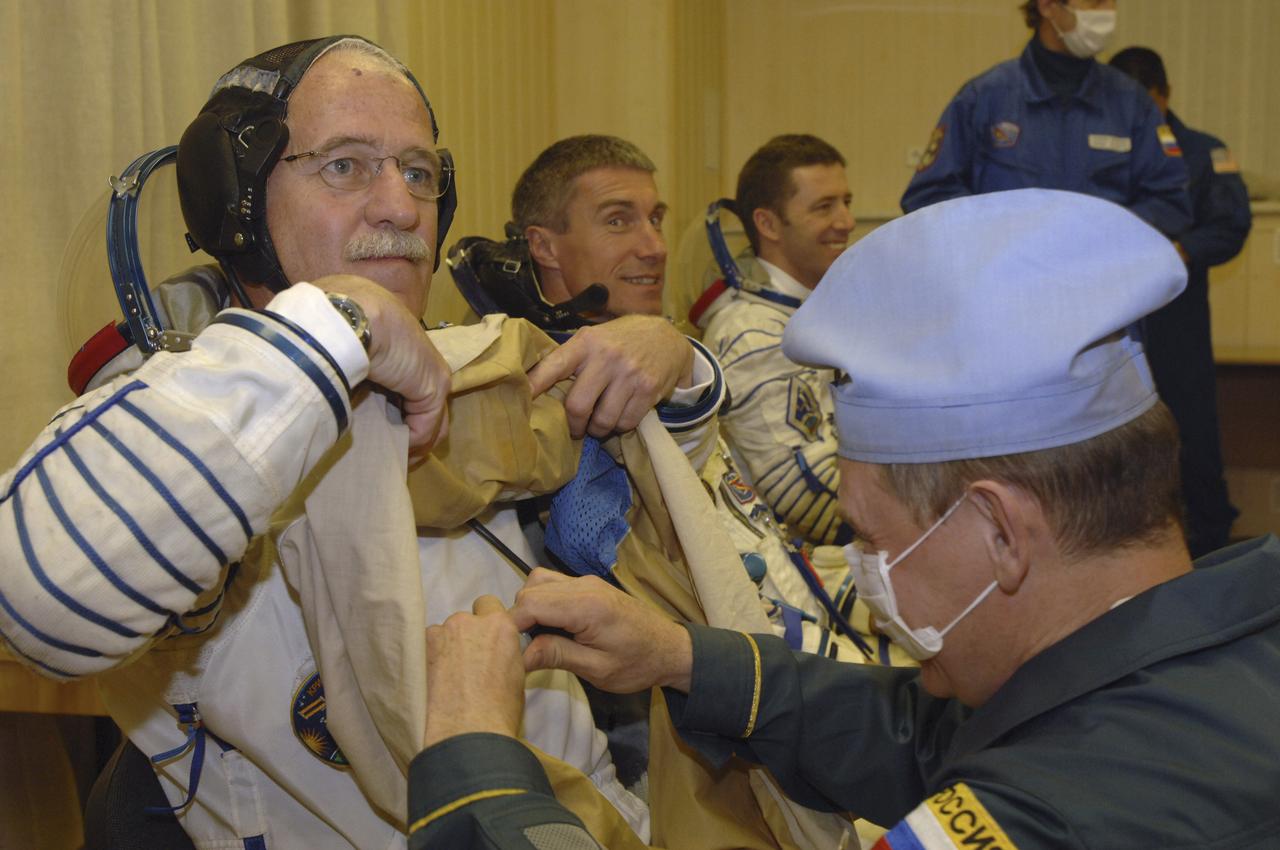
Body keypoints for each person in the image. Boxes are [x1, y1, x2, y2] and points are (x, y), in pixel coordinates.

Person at [1, 35, 717, 847]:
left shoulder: (460, 368)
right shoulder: (175, 419)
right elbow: (42, 599)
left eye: (418, 173)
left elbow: (643, 519)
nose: (401, 207)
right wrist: (336, 323)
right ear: (232, 202)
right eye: (345, 166)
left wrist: (673, 362)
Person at [407, 189, 1280, 849]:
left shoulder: (1057, 815)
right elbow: (937, 738)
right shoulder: (1223, 620)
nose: (864, 565)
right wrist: (678, 657)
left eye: (873, 535)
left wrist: (475, 760)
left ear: (1002, 534)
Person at [493, 133, 898, 661]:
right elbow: (609, 541)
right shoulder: (558, 391)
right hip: (754, 662)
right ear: (544, 246)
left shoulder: (657, 355)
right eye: (619, 220)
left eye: (654, 218)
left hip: (793, 604)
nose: (655, 246)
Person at [1109, 46, 1252, 557]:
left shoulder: (1204, 152)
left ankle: (1210, 552)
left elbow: (1232, 226)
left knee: (1193, 447)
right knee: (1114, 452)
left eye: (1145, 105)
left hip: (1177, 326)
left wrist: (1181, 249)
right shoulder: (1105, 152)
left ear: (1164, 96)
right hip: (1113, 327)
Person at [900, 0, 1192, 241]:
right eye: (1095, 3)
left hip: (1104, 296)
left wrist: (1103, 233)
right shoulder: (985, 98)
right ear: (1048, 6)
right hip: (1007, 295)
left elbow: (1172, 205)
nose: (1108, 13)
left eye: (1111, 2)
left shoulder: (1132, 104)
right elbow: (928, 196)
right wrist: (996, 232)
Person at [693, 134, 857, 547]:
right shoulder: (753, 334)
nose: (846, 222)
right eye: (824, 207)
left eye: (846, 202)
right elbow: (811, 502)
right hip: (802, 564)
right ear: (767, 224)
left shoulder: (805, 312)